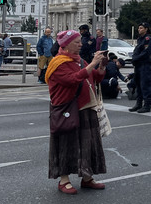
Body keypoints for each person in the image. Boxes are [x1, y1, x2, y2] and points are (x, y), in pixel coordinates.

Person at [45, 29, 107, 194]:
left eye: (80, 41)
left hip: (86, 107)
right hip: (68, 109)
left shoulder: (80, 60)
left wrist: (101, 66)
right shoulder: (58, 63)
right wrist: (92, 63)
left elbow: (95, 77)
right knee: (66, 144)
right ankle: (64, 180)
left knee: (87, 144)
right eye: (77, 42)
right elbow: (72, 80)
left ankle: (87, 177)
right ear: (66, 45)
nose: (81, 45)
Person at [129, 22, 151, 113]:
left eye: (141, 28)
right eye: (139, 28)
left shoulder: (147, 39)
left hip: (144, 65)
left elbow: (146, 52)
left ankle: (147, 105)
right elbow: (137, 51)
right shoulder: (140, 39)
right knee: (138, 85)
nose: (139, 29)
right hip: (138, 65)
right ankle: (138, 103)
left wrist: (136, 58)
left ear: (146, 29)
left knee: (145, 85)